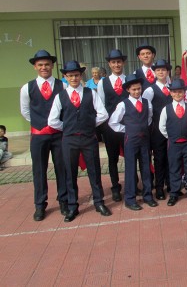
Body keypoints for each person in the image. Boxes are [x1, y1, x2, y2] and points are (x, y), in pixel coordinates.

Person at [48, 60, 111, 222]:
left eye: (76, 75)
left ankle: (99, 202)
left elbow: (103, 114)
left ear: (81, 75)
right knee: (70, 173)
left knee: (94, 171)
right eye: (70, 76)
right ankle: (72, 206)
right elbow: (52, 121)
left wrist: (89, 125)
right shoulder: (60, 96)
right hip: (69, 141)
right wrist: (68, 128)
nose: (74, 78)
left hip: (89, 138)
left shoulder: (91, 93)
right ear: (65, 77)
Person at [20, 49, 68, 221]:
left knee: (62, 168)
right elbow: (25, 111)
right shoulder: (27, 88)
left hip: (58, 135)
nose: (44, 67)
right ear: (35, 67)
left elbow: (66, 108)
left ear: (52, 66)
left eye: (47, 64)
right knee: (39, 170)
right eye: (40, 65)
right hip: (39, 135)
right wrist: (39, 124)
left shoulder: (62, 85)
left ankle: (64, 200)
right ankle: (40, 205)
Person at [109, 74, 157, 210]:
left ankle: (148, 196)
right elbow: (113, 122)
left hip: (144, 139)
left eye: (138, 89)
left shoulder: (147, 102)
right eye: (133, 89)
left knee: (146, 167)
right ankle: (130, 199)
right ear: (128, 90)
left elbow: (149, 118)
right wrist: (127, 129)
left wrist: (142, 128)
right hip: (131, 140)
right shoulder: (123, 104)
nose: (136, 92)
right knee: (130, 168)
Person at [159, 79, 187, 207]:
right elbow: (162, 127)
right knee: (174, 169)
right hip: (174, 144)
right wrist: (172, 137)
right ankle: (174, 193)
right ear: (170, 93)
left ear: (184, 93)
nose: (177, 94)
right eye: (175, 92)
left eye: (180, 92)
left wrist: (186, 134)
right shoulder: (166, 109)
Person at [97, 49, 128, 202]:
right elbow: (101, 105)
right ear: (109, 64)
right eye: (113, 62)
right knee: (112, 158)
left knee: (130, 156)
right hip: (109, 127)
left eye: (119, 62)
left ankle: (132, 184)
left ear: (123, 63)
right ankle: (115, 187)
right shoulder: (103, 82)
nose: (116, 64)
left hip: (127, 126)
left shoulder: (129, 79)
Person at [142, 59, 173, 200]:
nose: (161, 72)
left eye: (164, 70)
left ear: (167, 72)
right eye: (158, 70)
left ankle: (171, 184)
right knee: (159, 158)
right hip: (157, 130)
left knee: (171, 157)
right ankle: (159, 187)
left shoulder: (173, 87)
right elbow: (146, 111)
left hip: (172, 129)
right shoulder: (149, 90)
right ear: (154, 72)